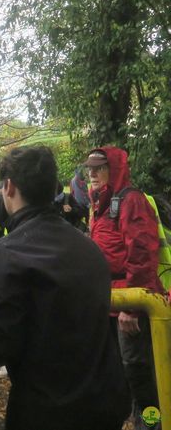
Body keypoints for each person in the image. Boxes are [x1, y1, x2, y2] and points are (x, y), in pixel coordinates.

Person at [0, 146, 130, 430]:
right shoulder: (89, 247)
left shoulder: (5, 254)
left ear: (8, 187)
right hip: (106, 401)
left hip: (47, 411)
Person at [85, 147, 164, 428]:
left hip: (130, 306)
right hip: (111, 303)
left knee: (139, 374)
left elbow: (142, 252)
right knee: (120, 373)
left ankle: (153, 424)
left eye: (99, 168)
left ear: (114, 169)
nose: (92, 173)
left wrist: (131, 307)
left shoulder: (131, 201)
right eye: (90, 168)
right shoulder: (99, 204)